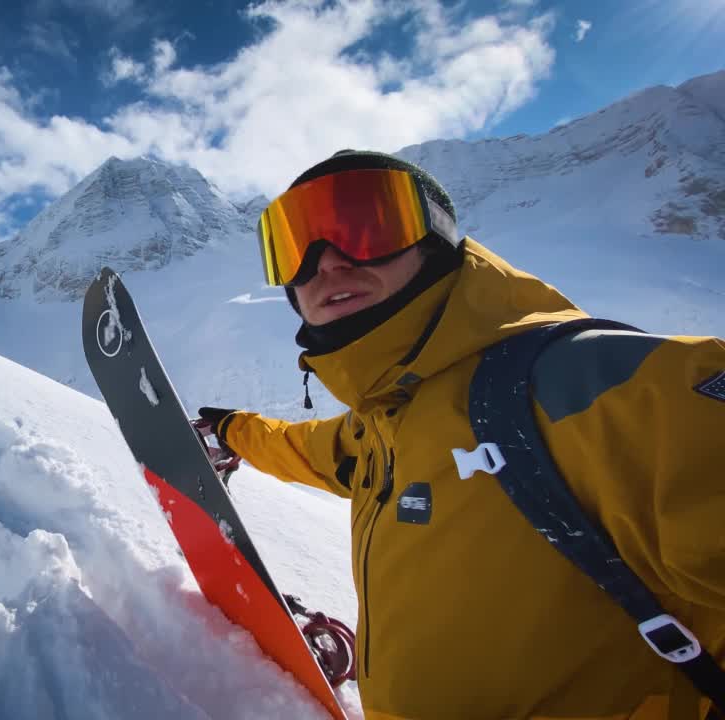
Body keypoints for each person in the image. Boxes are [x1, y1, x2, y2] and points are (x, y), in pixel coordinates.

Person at [198, 150, 725, 719]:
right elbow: (309, 450)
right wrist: (232, 431)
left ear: (435, 240)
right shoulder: (385, 420)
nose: (326, 263)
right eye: (295, 247)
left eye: (366, 227)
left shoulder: (613, 388)